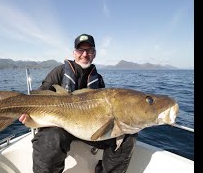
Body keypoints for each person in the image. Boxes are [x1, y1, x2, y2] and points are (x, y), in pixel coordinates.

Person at [19, 33, 138, 173]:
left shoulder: (98, 79)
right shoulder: (59, 72)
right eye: (81, 50)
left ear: (94, 53)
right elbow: (40, 95)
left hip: (89, 129)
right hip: (60, 125)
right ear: (74, 53)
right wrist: (28, 113)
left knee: (127, 137)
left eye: (89, 50)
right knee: (50, 140)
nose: (85, 54)